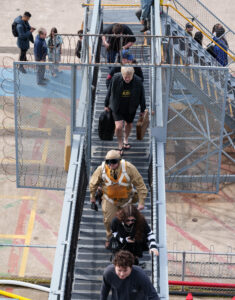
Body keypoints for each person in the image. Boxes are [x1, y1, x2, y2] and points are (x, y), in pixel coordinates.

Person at [89, 150, 147, 247]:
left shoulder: (129, 168)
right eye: (108, 162)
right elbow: (93, 184)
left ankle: (126, 239)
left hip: (126, 200)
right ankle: (110, 237)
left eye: (114, 162)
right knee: (109, 220)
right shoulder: (101, 169)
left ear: (119, 161)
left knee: (128, 221)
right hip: (109, 199)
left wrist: (141, 202)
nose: (111, 164)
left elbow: (140, 185)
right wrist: (92, 197)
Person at [105, 67, 146, 152]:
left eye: (129, 77)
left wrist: (143, 110)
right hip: (117, 106)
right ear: (122, 74)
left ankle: (125, 139)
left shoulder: (138, 81)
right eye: (125, 77)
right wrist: (106, 104)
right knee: (119, 127)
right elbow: (109, 91)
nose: (127, 79)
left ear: (132, 75)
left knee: (128, 124)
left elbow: (142, 96)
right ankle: (120, 144)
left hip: (130, 107)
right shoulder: (116, 78)